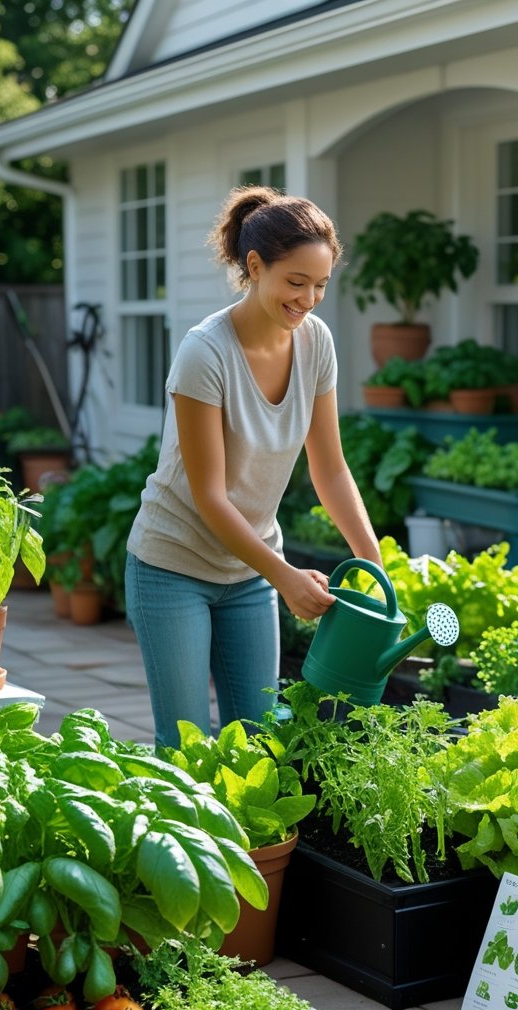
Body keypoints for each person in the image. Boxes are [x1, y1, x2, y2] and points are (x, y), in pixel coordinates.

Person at [125, 185, 381, 747]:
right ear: (255, 265)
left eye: (320, 285)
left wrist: (372, 562)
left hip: (248, 573)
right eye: (295, 282)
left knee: (257, 744)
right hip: (173, 566)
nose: (308, 299)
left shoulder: (316, 343)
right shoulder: (204, 354)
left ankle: (250, 843)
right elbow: (210, 497)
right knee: (189, 746)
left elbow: (331, 468)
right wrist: (286, 577)